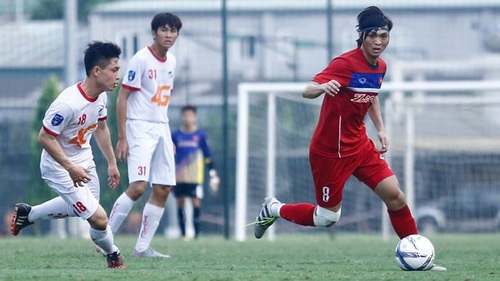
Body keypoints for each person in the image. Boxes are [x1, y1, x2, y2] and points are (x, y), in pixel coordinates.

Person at [252, 6, 446, 271]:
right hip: (330, 152)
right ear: (362, 36)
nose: (379, 42)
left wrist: (380, 128)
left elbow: (372, 95)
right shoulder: (345, 64)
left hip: (361, 147)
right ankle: (274, 208)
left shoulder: (381, 66)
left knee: (396, 197)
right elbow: (307, 90)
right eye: (373, 36)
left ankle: (420, 258)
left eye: (384, 36)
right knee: (326, 218)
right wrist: (322, 87)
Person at [10, 41, 126, 269]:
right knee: (99, 218)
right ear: (97, 71)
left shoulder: (101, 96)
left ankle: (29, 214)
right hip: (58, 168)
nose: (117, 76)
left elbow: (101, 129)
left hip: (85, 163)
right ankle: (113, 254)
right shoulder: (68, 103)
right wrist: (69, 167)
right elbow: (44, 137)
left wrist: (112, 163)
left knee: (86, 210)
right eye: (114, 70)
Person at [106, 12, 182, 258]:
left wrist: (167, 137)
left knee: (163, 188)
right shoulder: (140, 59)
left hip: (161, 127)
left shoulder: (172, 61)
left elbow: (162, 102)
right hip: (138, 127)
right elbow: (123, 97)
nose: (168, 35)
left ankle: (142, 248)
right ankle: (104, 238)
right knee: (138, 187)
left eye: (173, 31)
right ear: (154, 33)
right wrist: (122, 136)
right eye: (164, 30)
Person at [171, 105, 220, 240]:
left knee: (196, 202)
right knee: (180, 202)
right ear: (182, 117)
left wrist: (213, 174)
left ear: (195, 117)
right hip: (179, 176)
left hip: (195, 177)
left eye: (190, 115)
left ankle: (197, 234)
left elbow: (207, 155)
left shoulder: (200, 136)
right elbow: (170, 155)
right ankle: (183, 234)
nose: (188, 118)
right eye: (185, 115)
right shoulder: (175, 135)